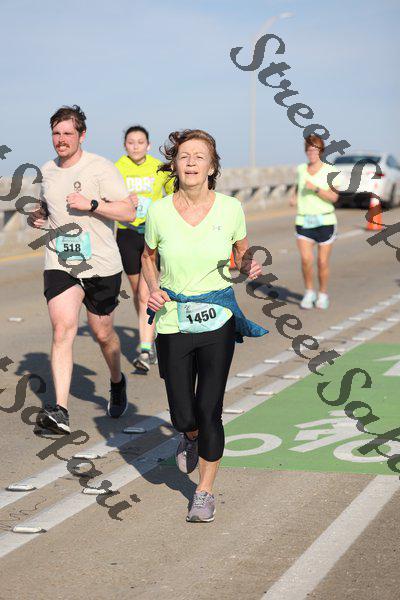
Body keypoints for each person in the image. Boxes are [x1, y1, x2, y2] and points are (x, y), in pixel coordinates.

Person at [141, 129, 267, 523]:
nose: (191, 162)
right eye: (184, 156)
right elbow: (147, 257)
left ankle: (205, 491)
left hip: (217, 315)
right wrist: (154, 289)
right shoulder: (159, 212)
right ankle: (189, 435)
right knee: (184, 414)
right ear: (175, 165)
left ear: (212, 167)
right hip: (173, 318)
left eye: (200, 156)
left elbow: (240, 256)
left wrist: (247, 266)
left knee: (210, 408)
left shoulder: (230, 209)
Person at [28, 105, 136, 434]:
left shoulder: (100, 168)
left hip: (101, 264)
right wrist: (38, 216)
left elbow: (128, 212)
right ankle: (59, 411)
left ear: (82, 135)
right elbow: (48, 208)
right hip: (61, 262)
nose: (61, 139)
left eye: (68, 133)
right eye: (56, 133)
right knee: (62, 330)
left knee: (103, 334)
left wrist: (92, 205)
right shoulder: (47, 170)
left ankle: (116, 381)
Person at [115, 126, 174, 373]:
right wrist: (123, 202)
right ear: (125, 145)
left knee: (145, 292)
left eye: (140, 142)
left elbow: (174, 196)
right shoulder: (116, 168)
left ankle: (146, 349)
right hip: (127, 234)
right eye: (131, 142)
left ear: (148, 145)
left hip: (153, 236)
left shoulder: (159, 167)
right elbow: (108, 200)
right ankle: (151, 331)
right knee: (137, 292)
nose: (136, 146)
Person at [291, 134, 339, 310]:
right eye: (309, 150)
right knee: (306, 260)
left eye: (315, 150)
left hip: (325, 220)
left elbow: (334, 197)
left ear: (321, 151)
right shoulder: (301, 169)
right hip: (304, 220)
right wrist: (294, 197)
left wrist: (317, 189)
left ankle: (323, 294)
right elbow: (297, 186)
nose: (312, 153)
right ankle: (309, 292)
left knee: (322, 262)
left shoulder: (331, 171)